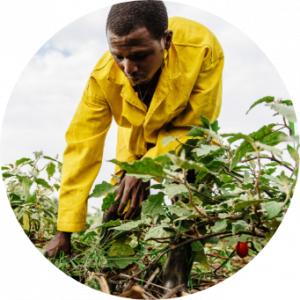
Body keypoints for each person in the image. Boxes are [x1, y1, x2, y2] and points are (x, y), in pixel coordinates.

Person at [46, 0, 224, 291]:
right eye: (119, 56)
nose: (129, 68)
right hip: (137, 133)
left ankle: (174, 280)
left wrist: (146, 168)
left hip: (186, 133)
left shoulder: (202, 47)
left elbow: (196, 125)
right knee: (123, 194)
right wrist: (64, 230)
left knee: (190, 188)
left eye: (140, 55)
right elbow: (81, 146)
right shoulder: (103, 76)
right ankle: (112, 267)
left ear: (166, 40)